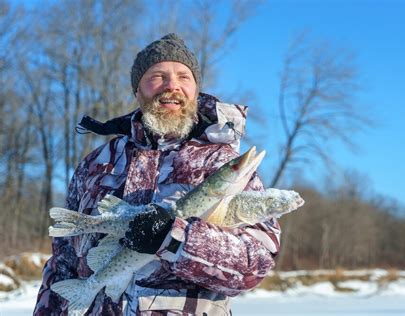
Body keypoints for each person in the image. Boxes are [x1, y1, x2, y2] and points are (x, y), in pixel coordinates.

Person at [33, 33, 281, 315]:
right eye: (158, 76)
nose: (172, 86)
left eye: (183, 77)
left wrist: (174, 238)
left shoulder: (220, 161)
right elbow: (62, 261)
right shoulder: (95, 164)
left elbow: (255, 264)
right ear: (137, 90)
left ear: (196, 91)